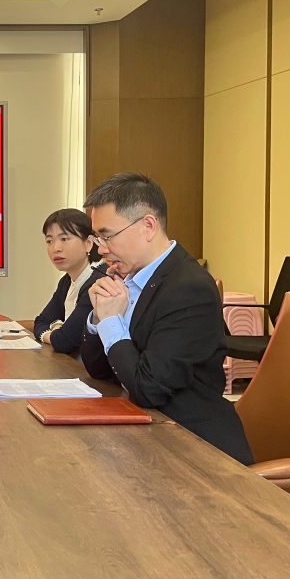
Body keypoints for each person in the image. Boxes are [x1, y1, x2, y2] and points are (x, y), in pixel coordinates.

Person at [81, 173, 254, 464]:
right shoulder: (129, 279)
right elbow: (99, 370)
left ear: (148, 226)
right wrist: (99, 316)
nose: (101, 249)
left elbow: (148, 389)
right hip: (141, 431)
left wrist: (111, 323)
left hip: (194, 449)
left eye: (107, 236)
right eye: (98, 238)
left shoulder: (189, 289)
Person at [33, 209, 103, 356]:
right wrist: (57, 328)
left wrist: (56, 331)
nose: (56, 248)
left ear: (89, 243)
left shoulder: (98, 282)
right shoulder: (66, 281)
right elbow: (40, 322)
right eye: (50, 241)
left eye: (64, 239)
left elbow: (64, 341)